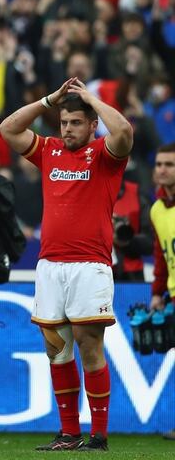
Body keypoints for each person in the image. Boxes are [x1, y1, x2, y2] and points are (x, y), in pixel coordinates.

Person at [0, 78, 133, 452]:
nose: (68, 129)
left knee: (90, 346)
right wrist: (49, 100)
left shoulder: (106, 155)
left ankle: (100, 434)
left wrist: (91, 99)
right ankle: (69, 432)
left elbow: (123, 130)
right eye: (64, 123)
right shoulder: (49, 151)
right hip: (50, 265)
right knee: (56, 349)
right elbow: (8, 128)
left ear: (92, 126)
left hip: (90, 264)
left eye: (76, 123)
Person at [149, 143, 175, 441]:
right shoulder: (156, 209)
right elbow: (160, 254)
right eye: (158, 165)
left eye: (169, 164)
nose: (162, 170)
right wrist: (157, 293)